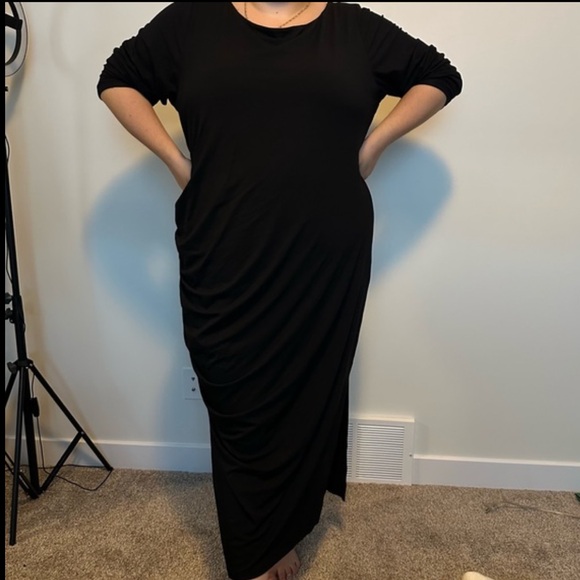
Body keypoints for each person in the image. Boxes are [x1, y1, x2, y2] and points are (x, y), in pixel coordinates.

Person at [96, 3, 462, 579]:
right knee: (233, 384)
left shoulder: (353, 28)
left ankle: (270, 540)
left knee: (304, 385)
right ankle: (262, 532)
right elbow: (116, 79)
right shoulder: (192, 21)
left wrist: (373, 145)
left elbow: (441, 76)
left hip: (325, 246)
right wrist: (176, 161)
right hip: (221, 236)